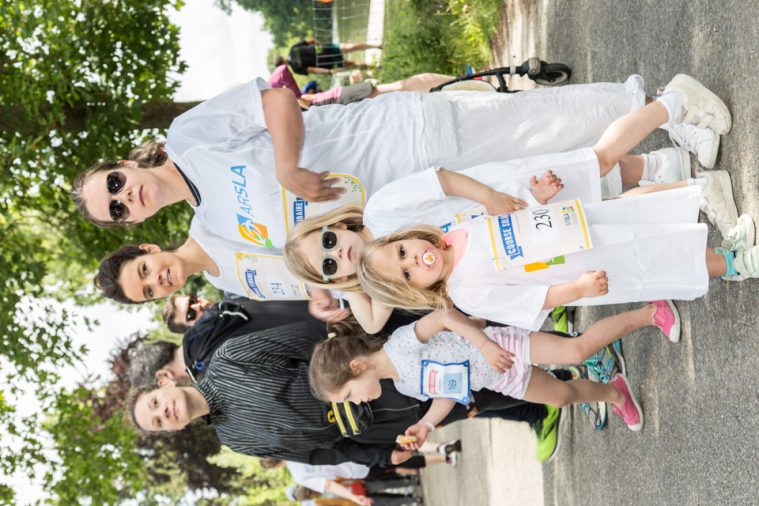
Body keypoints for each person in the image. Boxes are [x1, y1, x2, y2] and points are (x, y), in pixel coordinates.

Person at [72, 73, 724, 244]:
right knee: (554, 175)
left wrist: (287, 164)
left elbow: (274, 92)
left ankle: (668, 103)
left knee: (542, 126)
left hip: (403, 135)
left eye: (116, 184)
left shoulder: (189, 136)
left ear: (125, 164)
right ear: (131, 221)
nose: (128, 196)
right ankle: (669, 152)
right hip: (421, 197)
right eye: (118, 209)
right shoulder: (214, 229)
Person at [283, 94, 738, 332]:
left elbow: (441, 179)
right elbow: (373, 318)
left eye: (327, 242)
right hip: (524, 229)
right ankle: (696, 189)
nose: (337, 254)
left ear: (333, 224)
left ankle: (674, 102)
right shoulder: (388, 268)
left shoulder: (381, 213)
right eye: (328, 266)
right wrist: (336, 293)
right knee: (610, 209)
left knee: (597, 161)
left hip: (508, 196)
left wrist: (496, 198)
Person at [127, 320, 569, 466]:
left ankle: (569, 347)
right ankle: (564, 386)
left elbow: (309, 339)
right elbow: (324, 454)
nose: (165, 412)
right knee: (478, 400)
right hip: (385, 426)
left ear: (163, 387)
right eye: (160, 422)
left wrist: (365, 356)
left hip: (381, 372)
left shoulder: (228, 360)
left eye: (155, 405)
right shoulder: (235, 440)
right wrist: (383, 459)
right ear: (176, 428)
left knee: (484, 359)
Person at [309, 304, 683, 443]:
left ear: (356, 367)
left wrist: (484, 344)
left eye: (349, 395)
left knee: (577, 350)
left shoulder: (399, 346)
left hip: (500, 346)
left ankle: (652, 313)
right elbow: (448, 392)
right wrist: (426, 425)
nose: (356, 402)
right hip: (497, 378)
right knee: (561, 396)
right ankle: (616, 393)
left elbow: (442, 318)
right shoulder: (403, 382)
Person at [269, 60, 454, 109]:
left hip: (340, 99)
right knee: (402, 96)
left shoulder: (267, 102)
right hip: (342, 107)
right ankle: (458, 86)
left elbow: (281, 71)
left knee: (400, 88)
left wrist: (298, 97)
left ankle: (457, 81)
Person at [285, 40, 382, 76]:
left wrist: (329, 72)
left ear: (283, 65)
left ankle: (376, 66)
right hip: (326, 49)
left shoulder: (295, 68)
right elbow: (311, 41)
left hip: (327, 63)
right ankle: (376, 45)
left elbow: (312, 70)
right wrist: (320, 46)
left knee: (352, 64)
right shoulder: (293, 48)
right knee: (351, 47)